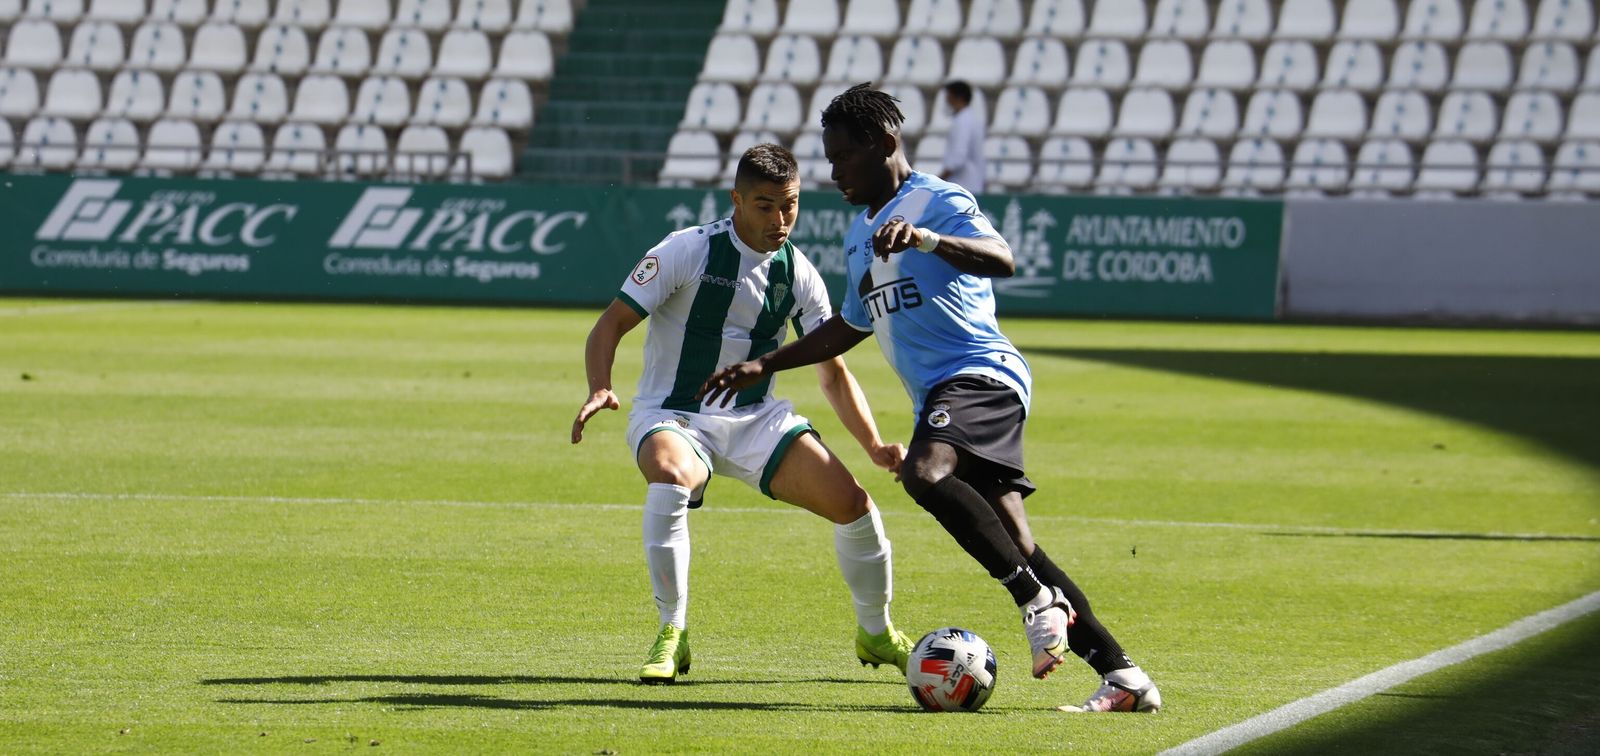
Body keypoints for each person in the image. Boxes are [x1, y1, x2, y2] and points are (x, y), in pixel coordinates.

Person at [700, 86, 1161, 713]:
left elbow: (1002, 258)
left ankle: (1034, 601)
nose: (834, 172)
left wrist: (925, 239)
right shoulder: (860, 236)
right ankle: (1124, 676)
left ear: (884, 145)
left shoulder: (939, 201)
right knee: (1017, 542)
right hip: (943, 396)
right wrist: (767, 362)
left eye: (843, 157)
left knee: (925, 473)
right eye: (829, 159)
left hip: (982, 374)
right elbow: (851, 325)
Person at [571, 143, 915, 684]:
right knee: (670, 476)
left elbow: (832, 372)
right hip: (675, 414)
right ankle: (672, 630)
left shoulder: (799, 274)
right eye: (765, 206)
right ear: (736, 200)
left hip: (757, 420)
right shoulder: (686, 250)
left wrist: (873, 445)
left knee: (855, 506)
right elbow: (610, 323)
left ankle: (875, 630)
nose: (780, 220)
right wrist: (600, 387)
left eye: (789, 205)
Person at [939, 80, 986, 195]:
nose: (947, 101)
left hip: (963, 185)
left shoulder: (962, 121)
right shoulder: (971, 118)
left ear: (959, 97)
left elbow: (958, 156)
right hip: (971, 184)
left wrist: (941, 179)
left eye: (949, 97)